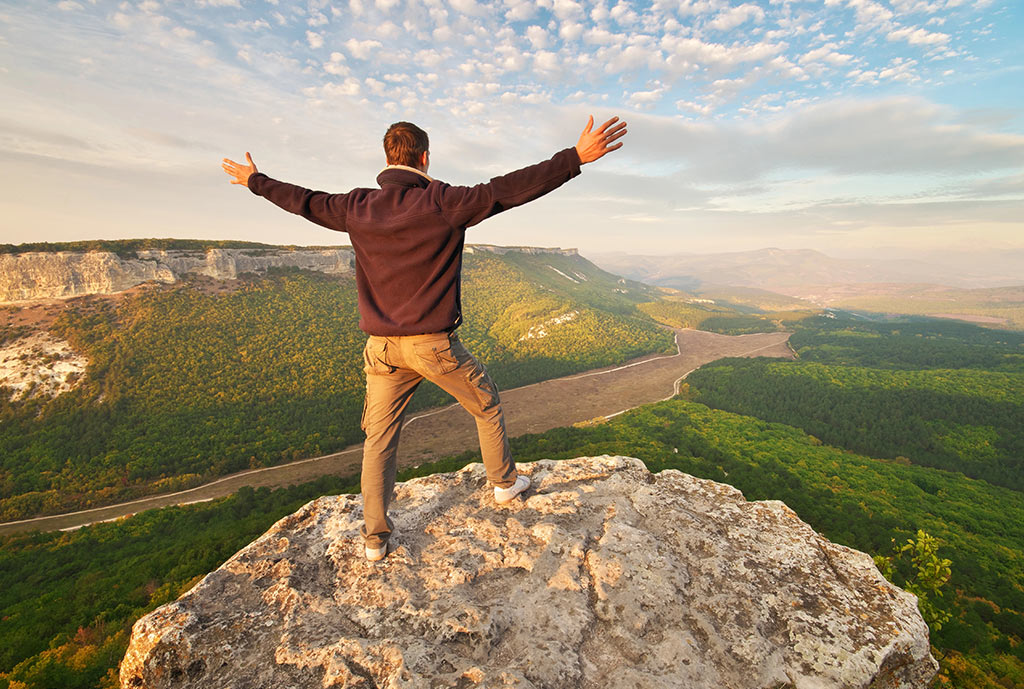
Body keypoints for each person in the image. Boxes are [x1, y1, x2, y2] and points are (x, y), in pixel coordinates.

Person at [222, 115, 627, 561]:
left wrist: (254, 180)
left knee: (379, 439)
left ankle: (375, 538)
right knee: (486, 402)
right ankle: (505, 484)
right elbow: (507, 189)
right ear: (425, 157)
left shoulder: (357, 206)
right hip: (433, 345)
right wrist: (574, 158)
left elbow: (304, 201)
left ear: (388, 158)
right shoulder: (443, 202)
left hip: (380, 349)